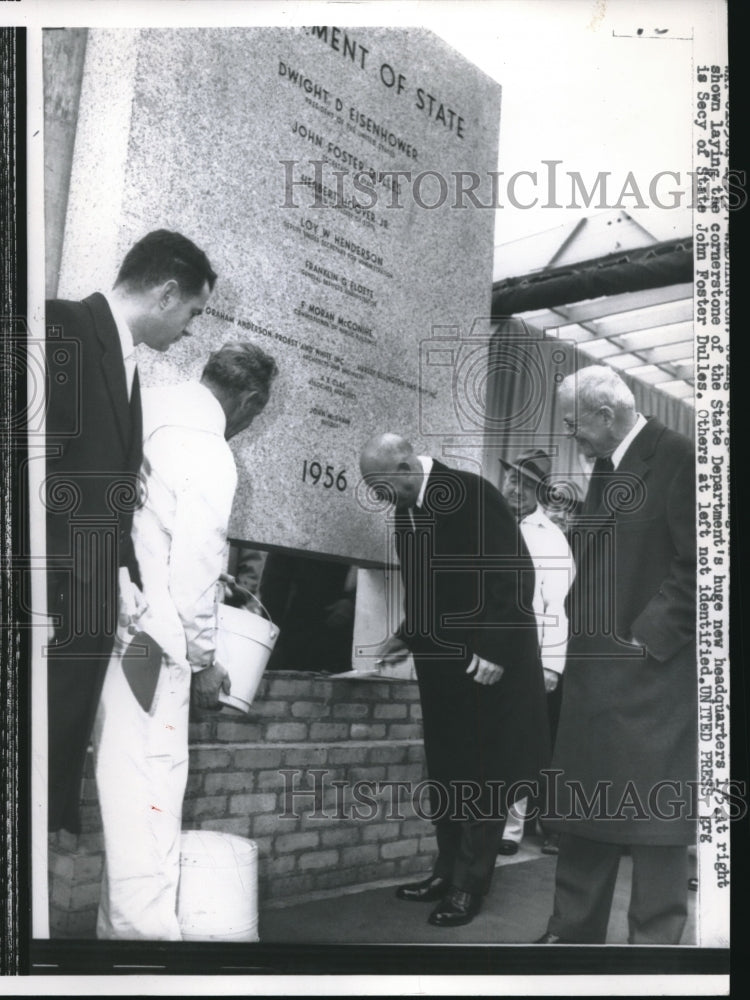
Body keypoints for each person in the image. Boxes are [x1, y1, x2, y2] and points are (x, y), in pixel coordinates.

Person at [91, 341, 278, 940]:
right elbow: (195, 567)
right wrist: (203, 660)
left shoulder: (151, 409)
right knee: (149, 797)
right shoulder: (211, 452)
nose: (249, 424)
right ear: (249, 400)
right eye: (256, 413)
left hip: (119, 624)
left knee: (126, 794)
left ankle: (115, 938)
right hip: (158, 644)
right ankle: (145, 958)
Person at [45, 229, 216, 834]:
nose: (191, 329)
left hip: (83, 613)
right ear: (168, 293)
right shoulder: (55, 326)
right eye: (194, 312)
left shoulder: (130, 367)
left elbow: (101, 489)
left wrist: (119, 571)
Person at [359, 434, 548, 928]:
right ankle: (446, 871)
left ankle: (470, 885)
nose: (381, 499)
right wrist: (405, 635)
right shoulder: (407, 511)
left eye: (381, 487)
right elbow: (427, 587)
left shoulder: (471, 492)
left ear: (404, 467)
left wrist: (495, 649)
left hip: (486, 664)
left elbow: (513, 574)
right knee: (447, 771)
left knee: (483, 777)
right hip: (440, 666)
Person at [537, 365, 696, 945]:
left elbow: (703, 562)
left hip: (650, 676)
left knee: (656, 821)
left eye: (575, 425)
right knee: (584, 808)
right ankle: (571, 932)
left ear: (607, 416)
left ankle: (653, 950)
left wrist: (647, 639)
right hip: (594, 673)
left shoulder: (678, 455)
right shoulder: (604, 468)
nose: (571, 436)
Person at [497, 449, 575, 857]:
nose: (516, 488)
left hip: (531, 652)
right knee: (492, 738)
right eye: (512, 478)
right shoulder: (489, 522)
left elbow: (558, 606)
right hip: (492, 650)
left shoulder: (550, 537)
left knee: (521, 741)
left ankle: (511, 829)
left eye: (527, 484)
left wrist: (551, 665)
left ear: (540, 493)